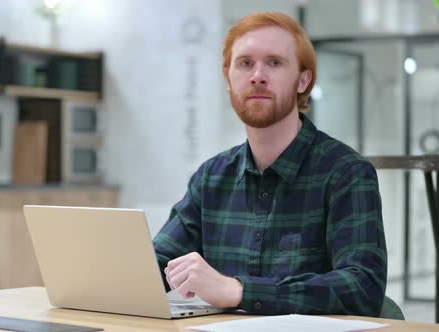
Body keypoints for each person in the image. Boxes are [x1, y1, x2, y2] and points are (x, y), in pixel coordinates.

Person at [153, 12, 387, 317]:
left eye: (274, 62)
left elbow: (362, 286)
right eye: (245, 63)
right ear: (228, 78)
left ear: (304, 80)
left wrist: (238, 291)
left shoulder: (346, 173)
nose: (257, 75)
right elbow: (155, 266)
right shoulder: (211, 178)